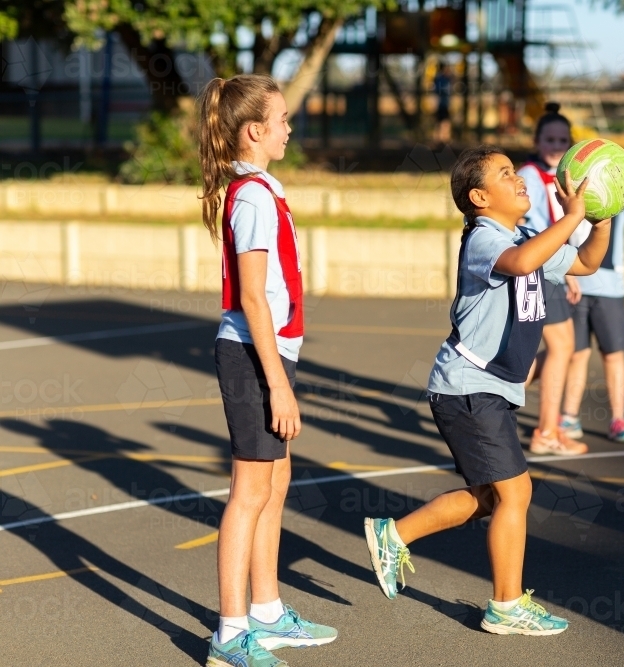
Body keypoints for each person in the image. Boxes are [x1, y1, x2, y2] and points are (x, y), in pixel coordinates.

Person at [363, 145, 611, 635]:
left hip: (489, 388)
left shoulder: (522, 235)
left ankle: (394, 535)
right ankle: (505, 605)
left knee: (490, 498)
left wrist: (599, 220)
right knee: (517, 491)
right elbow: (520, 264)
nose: (518, 179)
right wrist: (570, 217)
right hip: (468, 386)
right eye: (505, 174)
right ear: (479, 197)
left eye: (516, 172)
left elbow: (585, 264)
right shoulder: (484, 238)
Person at [198, 74, 337, 667]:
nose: (288, 128)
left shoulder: (261, 187)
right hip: (253, 356)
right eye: (281, 120)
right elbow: (253, 298)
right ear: (254, 130)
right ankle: (230, 633)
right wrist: (277, 383)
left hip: (270, 353)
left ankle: (268, 612)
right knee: (249, 492)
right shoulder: (252, 195)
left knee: (274, 486)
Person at [518, 102, 588, 455]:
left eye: (563, 140)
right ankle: (546, 431)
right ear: (537, 140)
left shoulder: (562, 178)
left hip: (548, 266)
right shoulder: (530, 175)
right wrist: (563, 265)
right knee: (562, 346)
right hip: (540, 267)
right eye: (550, 139)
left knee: (562, 348)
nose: (556, 145)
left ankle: (506, 387)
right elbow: (531, 227)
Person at [561, 186, 624, 443]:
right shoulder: (573, 201)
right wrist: (567, 274)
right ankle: (569, 416)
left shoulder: (619, 201)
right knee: (576, 354)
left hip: (610, 288)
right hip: (575, 285)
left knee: (612, 355)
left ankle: (618, 418)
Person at [433, 62, 453, 144]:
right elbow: (438, 91)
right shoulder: (440, 79)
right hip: (441, 104)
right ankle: (441, 138)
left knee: (445, 121)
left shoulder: (447, 79)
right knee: (442, 121)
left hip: (445, 104)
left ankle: (444, 138)